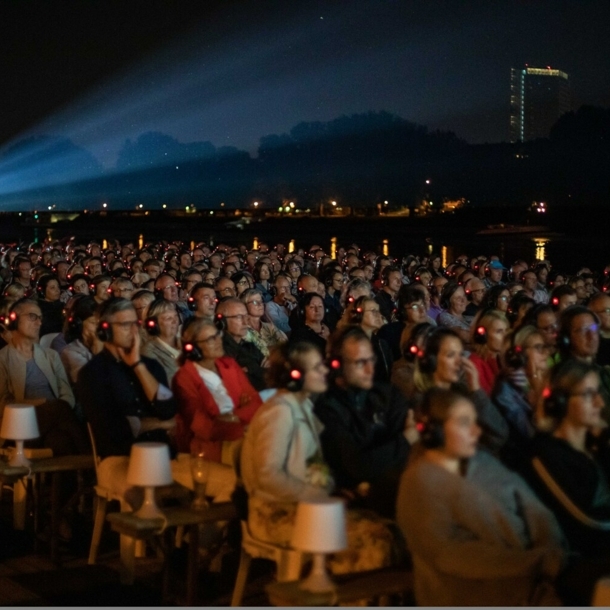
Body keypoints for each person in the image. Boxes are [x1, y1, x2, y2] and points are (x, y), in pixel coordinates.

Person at [241, 341, 402, 575]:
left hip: (302, 504)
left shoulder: (301, 405)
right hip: (274, 513)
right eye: (317, 368)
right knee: (375, 539)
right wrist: (318, 496)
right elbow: (268, 476)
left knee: (390, 527)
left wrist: (331, 491)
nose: (325, 371)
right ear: (294, 375)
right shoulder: (280, 412)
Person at [396, 387, 567, 607]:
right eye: (464, 423)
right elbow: (451, 555)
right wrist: (536, 563)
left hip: (535, 584)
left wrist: (553, 553)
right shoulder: (418, 484)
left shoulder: (483, 464)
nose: (477, 431)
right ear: (434, 431)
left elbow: (535, 511)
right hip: (470, 597)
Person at [314, 327, 415, 517]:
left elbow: (405, 457)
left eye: (371, 360)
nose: (370, 369)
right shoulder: (326, 408)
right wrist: (405, 439)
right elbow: (358, 466)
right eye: (361, 362)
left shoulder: (388, 395)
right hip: (364, 504)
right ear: (337, 365)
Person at [0, 298, 89, 456]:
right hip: (19, 424)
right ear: (14, 319)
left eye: (40, 318)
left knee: (60, 441)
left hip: (54, 421)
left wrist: (53, 408)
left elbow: (66, 394)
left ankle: (73, 475)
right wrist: (44, 404)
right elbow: (3, 403)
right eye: (32, 317)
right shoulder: (3, 359)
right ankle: (91, 464)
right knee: (59, 408)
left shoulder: (51, 356)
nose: (39, 323)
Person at [172, 317, 261, 463]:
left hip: (245, 438)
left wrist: (232, 417)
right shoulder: (184, 378)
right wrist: (243, 420)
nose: (219, 341)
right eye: (210, 339)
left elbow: (256, 403)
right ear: (194, 348)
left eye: (217, 335)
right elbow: (203, 427)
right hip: (209, 450)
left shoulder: (229, 364)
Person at [413, 327, 509, 453]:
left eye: (461, 354)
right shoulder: (421, 403)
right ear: (430, 360)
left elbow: (500, 434)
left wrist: (476, 390)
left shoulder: (465, 391)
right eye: (451, 355)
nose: (459, 362)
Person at [492, 325, 551, 470]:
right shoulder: (506, 393)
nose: (545, 353)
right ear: (519, 353)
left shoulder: (549, 379)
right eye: (538, 347)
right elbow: (533, 435)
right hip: (527, 464)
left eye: (545, 347)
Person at [217, 297, 267, 391]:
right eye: (239, 317)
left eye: (246, 317)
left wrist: (251, 369)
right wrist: (258, 369)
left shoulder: (249, 347)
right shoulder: (218, 350)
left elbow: (271, 374)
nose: (245, 322)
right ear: (222, 322)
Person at [60, 296, 103, 385]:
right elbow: (89, 383)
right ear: (78, 324)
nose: (99, 328)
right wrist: (99, 354)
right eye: (93, 323)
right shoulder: (70, 352)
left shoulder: (107, 344)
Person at [349, 295, 393, 383]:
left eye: (378, 311)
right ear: (359, 314)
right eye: (373, 311)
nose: (378, 315)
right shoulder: (349, 344)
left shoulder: (381, 344)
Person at [468, 309, 509, 396]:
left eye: (506, 331)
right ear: (484, 336)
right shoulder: (475, 362)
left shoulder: (505, 359)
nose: (505, 336)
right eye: (499, 331)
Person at [141, 299, 182, 385]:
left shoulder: (186, 342)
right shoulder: (148, 352)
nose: (175, 322)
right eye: (168, 318)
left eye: (175, 316)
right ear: (154, 324)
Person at [240, 288, 287, 357]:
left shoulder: (270, 326)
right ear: (244, 305)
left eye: (261, 301)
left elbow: (285, 345)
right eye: (255, 302)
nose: (260, 304)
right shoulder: (242, 331)